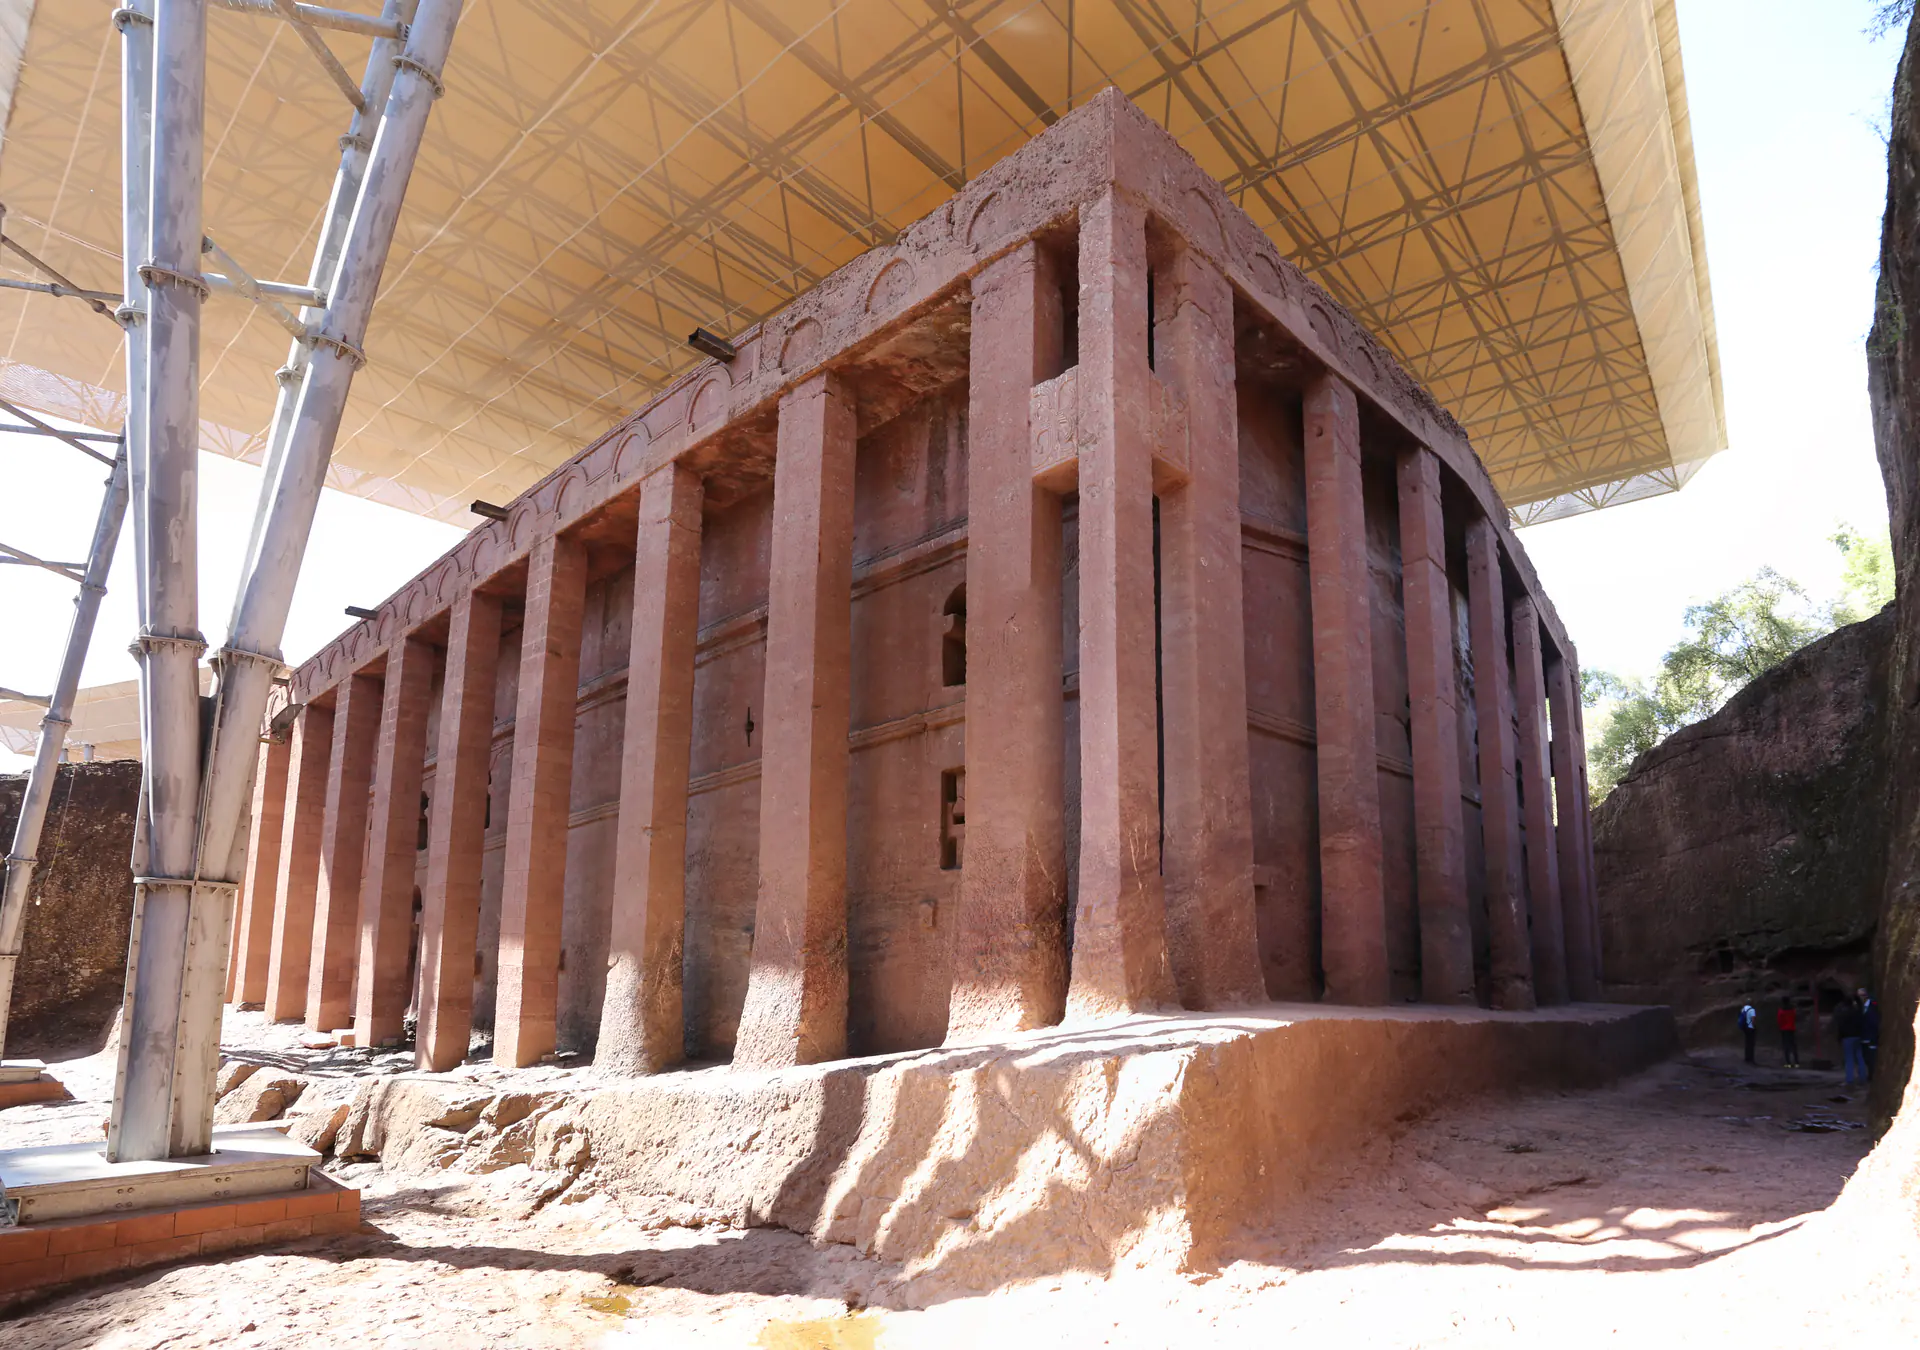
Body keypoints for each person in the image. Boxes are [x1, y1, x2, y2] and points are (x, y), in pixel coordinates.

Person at [1837, 996, 1868, 1088]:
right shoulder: (1857, 1012)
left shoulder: (1843, 1013)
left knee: (1849, 1059)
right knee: (1860, 1057)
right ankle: (1863, 1078)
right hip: (1857, 1036)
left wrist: (1840, 1037)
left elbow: (1841, 1027)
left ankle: (1849, 1080)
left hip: (1847, 1038)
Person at [1860, 987, 1881, 1081]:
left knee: (1872, 1058)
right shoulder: (1862, 1007)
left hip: (1871, 1036)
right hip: (1864, 1036)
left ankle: (1872, 1076)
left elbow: (1874, 1022)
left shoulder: (1872, 1006)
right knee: (1866, 1057)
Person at [1777, 999, 1800, 1069]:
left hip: (1784, 1029)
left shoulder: (1781, 1010)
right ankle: (1796, 1060)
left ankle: (1788, 1062)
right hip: (1792, 1028)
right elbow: (1795, 1018)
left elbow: (1779, 1020)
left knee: (1786, 1045)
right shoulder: (1793, 1010)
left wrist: (1780, 1027)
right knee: (1793, 1045)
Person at [1738, 1000, 1758, 1064]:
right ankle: (1751, 1058)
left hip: (1745, 1028)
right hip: (1750, 1028)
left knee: (1747, 1043)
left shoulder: (1743, 1009)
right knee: (1751, 1043)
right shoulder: (1752, 1010)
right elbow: (1753, 1020)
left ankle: (1747, 1057)